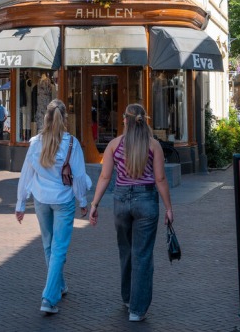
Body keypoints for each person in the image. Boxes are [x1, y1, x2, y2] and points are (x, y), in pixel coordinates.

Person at [88, 104, 174, 323]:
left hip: (121, 200)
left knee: (125, 250)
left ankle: (127, 298)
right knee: (142, 254)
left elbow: (105, 177)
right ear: (144, 121)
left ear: (125, 120)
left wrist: (95, 204)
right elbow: (160, 179)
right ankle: (137, 309)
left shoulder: (114, 145)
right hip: (146, 201)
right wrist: (169, 208)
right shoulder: (153, 145)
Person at [15, 99, 90, 316]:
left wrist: (21, 203)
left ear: (45, 118)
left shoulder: (36, 142)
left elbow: (26, 174)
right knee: (59, 249)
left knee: (49, 245)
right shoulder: (72, 144)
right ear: (65, 118)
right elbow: (78, 177)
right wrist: (83, 201)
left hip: (41, 199)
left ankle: (59, 284)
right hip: (63, 200)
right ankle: (49, 297)